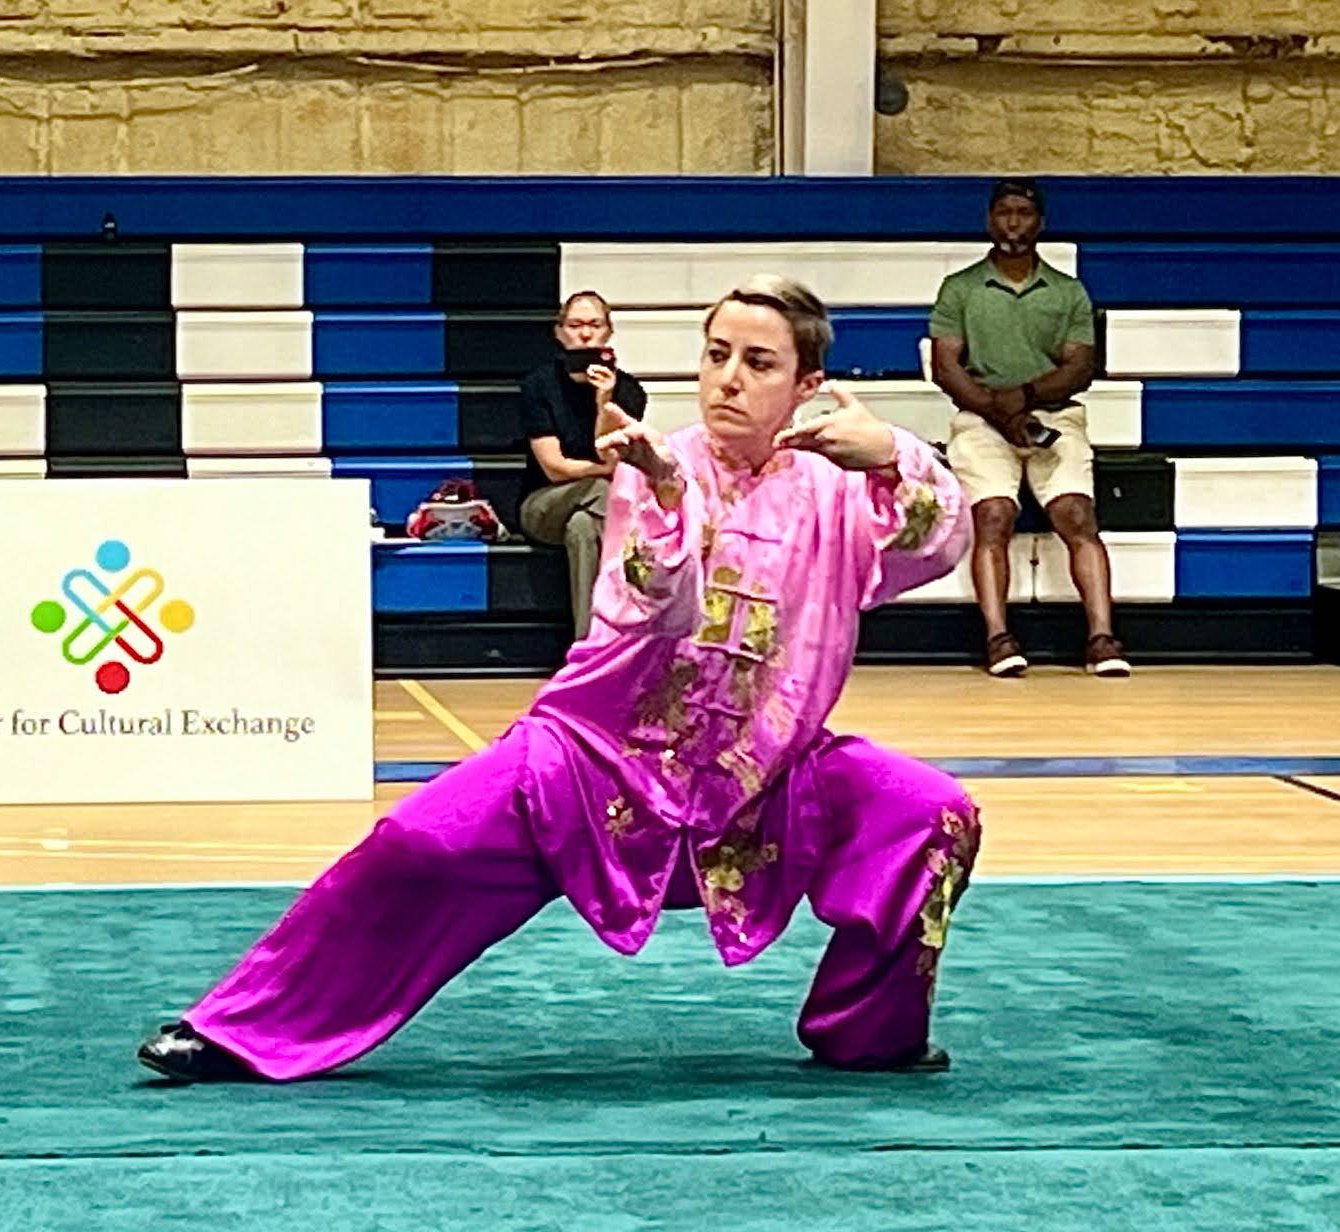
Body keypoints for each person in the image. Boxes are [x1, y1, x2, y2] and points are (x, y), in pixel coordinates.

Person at [138, 275, 979, 1084]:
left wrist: (894, 455)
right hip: (592, 759)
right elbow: (653, 606)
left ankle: (870, 1035)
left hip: (767, 775)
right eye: (716, 353)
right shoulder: (658, 463)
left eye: (758, 363)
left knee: (929, 813)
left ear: (807, 385)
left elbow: (932, 547)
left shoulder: (840, 488)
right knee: (416, 845)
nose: (727, 378)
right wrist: (659, 487)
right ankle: (243, 1031)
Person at [930, 178, 1132, 678]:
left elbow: (1079, 368)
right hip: (981, 418)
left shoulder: (1067, 290)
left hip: (1052, 415)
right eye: (1004, 212)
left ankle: (1102, 638)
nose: (1013, 222)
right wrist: (1001, 412)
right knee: (993, 515)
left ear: (1040, 222)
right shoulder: (960, 288)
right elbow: (946, 367)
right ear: (989, 220)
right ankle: (998, 638)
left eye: (1023, 213)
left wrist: (1024, 398)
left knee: (1077, 515)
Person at [518, 290, 648, 640]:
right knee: (603, 490)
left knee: (582, 528)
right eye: (575, 325)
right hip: (544, 504)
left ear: (609, 332)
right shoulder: (539, 386)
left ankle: (588, 646)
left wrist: (604, 401)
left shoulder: (629, 391)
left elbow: (611, 456)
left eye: (594, 325)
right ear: (560, 333)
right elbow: (554, 468)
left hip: (594, 509)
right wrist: (602, 473)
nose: (586, 334)